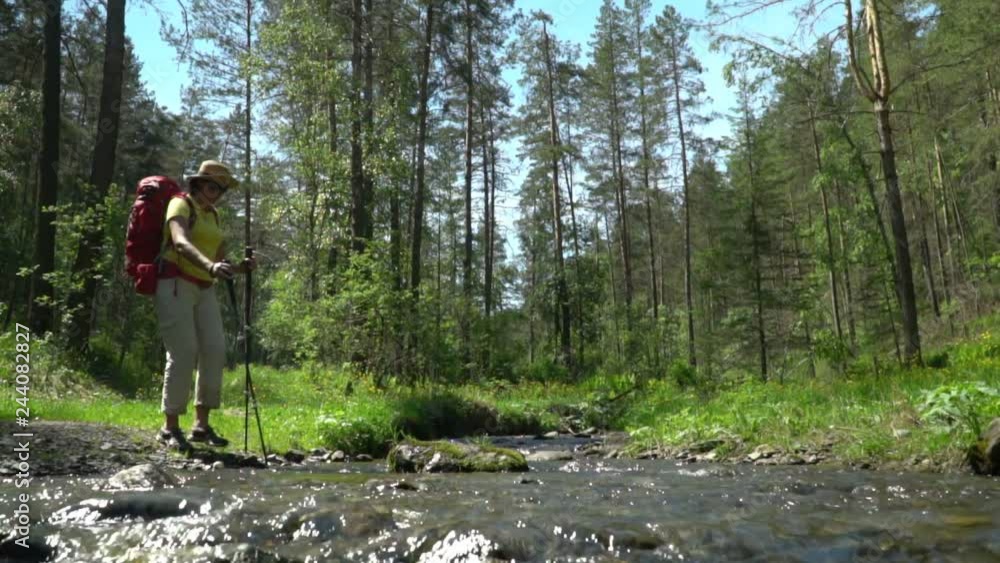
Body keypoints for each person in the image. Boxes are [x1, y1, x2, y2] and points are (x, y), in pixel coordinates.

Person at [155, 160, 254, 451]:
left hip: (204, 286)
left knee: (214, 349)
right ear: (198, 183)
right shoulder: (180, 205)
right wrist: (211, 267)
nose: (217, 192)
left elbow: (221, 260)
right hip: (175, 283)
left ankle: (201, 425)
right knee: (184, 351)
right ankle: (170, 427)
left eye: (221, 189)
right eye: (212, 186)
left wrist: (240, 268)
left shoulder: (214, 216)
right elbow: (181, 242)